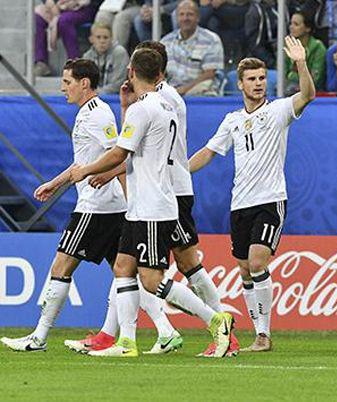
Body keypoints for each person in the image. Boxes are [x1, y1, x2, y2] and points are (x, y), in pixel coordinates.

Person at [68, 40, 239, 357]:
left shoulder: (145, 108)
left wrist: (86, 170)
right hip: (145, 203)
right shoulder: (161, 104)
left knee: (151, 279)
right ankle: (126, 342)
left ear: (131, 71)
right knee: (122, 267)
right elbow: (138, 151)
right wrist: (123, 111)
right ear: (159, 72)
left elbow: (121, 151)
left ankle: (216, 319)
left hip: (152, 204)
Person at [189, 37, 316, 352]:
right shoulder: (232, 121)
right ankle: (259, 334)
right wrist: (177, 172)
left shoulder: (278, 112)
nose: (259, 84)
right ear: (240, 84)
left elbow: (308, 95)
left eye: (262, 78)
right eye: (252, 79)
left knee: (258, 262)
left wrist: (300, 62)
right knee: (245, 269)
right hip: (239, 203)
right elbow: (208, 152)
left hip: (270, 200)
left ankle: (264, 335)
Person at [0, 59, 127, 352]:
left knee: (62, 264)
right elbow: (82, 163)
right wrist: (55, 183)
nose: (62, 87)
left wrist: (102, 176)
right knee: (127, 274)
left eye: (67, 81)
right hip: (108, 206)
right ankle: (170, 327)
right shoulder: (88, 113)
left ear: (85, 83)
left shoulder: (98, 115)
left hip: (97, 206)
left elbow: (118, 155)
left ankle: (39, 337)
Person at [160, 0, 225, 96]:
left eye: (190, 14)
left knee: (206, 85)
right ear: (177, 18)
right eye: (181, 14)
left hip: (199, 90)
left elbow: (209, 74)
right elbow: (160, 72)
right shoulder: (165, 42)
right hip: (171, 92)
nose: (185, 18)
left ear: (198, 18)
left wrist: (183, 90)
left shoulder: (211, 39)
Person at [33, 0, 100, 76]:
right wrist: (51, 4)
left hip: (84, 7)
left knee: (64, 21)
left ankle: (75, 64)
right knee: (38, 18)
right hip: (58, 6)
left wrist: (76, 2)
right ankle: (41, 62)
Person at [82, 22, 129, 94]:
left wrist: (98, 92)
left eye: (105, 37)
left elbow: (119, 83)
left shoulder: (120, 53)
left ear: (111, 39)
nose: (102, 41)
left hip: (116, 97)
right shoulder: (87, 57)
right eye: (98, 37)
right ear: (91, 39)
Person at [286, 10, 327, 93]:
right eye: (291, 23)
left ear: (308, 28)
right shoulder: (287, 46)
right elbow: (283, 75)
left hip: (314, 91)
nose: (291, 27)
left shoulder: (318, 47)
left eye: (296, 24)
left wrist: (293, 75)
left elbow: (315, 78)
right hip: (288, 88)